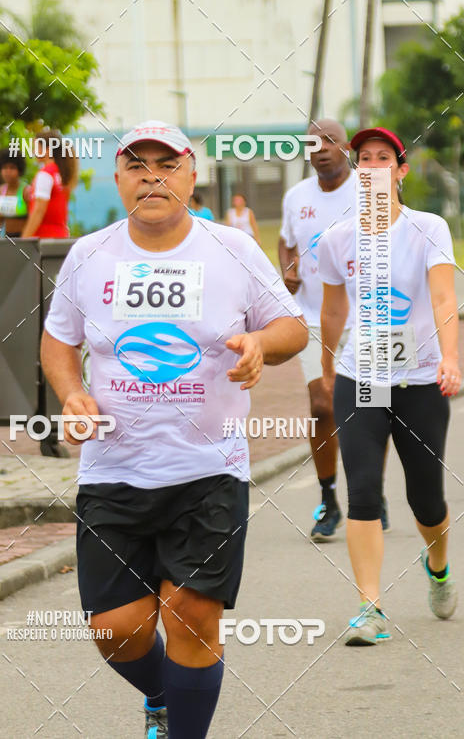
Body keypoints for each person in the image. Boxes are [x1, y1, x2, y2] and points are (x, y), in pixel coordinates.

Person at [41, 120, 306, 738]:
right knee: (115, 630)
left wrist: (261, 343)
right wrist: (72, 391)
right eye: (137, 165)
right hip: (113, 471)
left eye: (166, 165)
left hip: (208, 470)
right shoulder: (89, 255)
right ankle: (161, 694)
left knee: (191, 613)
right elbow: (58, 340)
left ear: (191, 174)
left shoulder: (232, 249)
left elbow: (293, 326)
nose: (151, 177)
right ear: (117, 179)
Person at [318, 127, 460, 645]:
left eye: (384, 158)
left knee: (426, 499)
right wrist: (328, 364)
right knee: (363, 490)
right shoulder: (337, 238)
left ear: (400, 171)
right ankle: (370, 607)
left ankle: (438, 564)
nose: (374, 166)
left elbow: (444, 299)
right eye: (364, 160)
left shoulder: (429, 228)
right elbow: (333, 308)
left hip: (420, 379)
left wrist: (450, 358)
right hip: (362, 377)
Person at [278, 119, 388, 540]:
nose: (321, 148)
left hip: (371, 314)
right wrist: (287, 266)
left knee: (371, 407)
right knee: (322, 406)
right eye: (313, 142)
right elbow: (287, 241)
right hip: (313, 315)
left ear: (345, 147)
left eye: (329, 140)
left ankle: (371, 495)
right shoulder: (295, 196)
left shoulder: (371, 187)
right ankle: (330, 500)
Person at [21, 127, 78, 238]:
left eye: (35, 147)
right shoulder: (59, 173)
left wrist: (24, 239)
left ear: (47, 150)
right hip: (60, 236)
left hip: (44, 239)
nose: (33, 151)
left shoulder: (45, 174)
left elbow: (39, 211)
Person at [0, 148, 29, 238]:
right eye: (4, 168)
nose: (7, 172)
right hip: (8, 238)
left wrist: (26, 237)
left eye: (12, 168)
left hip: (25, 238)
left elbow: (32, 218)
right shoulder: (0, 191)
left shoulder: (26, 191)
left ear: (19, 170)